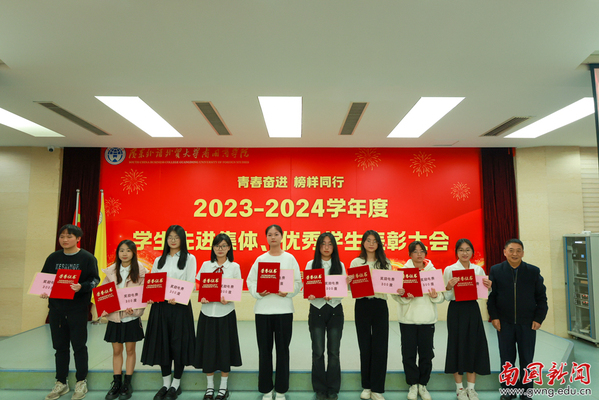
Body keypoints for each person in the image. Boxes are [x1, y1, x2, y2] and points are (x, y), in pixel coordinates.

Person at [40, 224, 100, 400]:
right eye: (62, 236)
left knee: (79, 346)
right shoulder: (53, 257)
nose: (65, 240)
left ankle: (81, 381)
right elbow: (45, 278)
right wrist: (43, 290)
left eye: (69, 236)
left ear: (78, 239)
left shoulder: (87, 258)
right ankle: (61, 382)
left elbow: (95, 280)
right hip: (56, 309)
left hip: (77, 309)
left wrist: (82, 286)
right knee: (59, 346)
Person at [141, 225, 197, 400]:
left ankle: (176, 384)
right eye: (170, 237)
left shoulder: (190, 258)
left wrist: (178, 297)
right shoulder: (159, 260)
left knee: (179, 345)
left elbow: (190, 282)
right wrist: (150, 296)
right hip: (160, 308)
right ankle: (166, 384)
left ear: (182, 239)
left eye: (176, 237)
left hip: (180, 307)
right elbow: (153, 283)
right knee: (162, 344)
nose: (173, 240)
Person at [488, 239, 548, 400]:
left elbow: (541, 298)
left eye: (518, 250)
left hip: (527, 323)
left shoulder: (533, 271)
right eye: (511, 250)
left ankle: (526, 392)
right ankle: (508, 391)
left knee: (527, 359)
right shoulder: (496, 270)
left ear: (523, 252)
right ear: (504, 252)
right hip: (504, 323)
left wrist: (539, 318)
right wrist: (494, 317)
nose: (515, 254)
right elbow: (491, 297)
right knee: (506, 359)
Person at [246, 224, 302, 400]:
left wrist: (288, 292)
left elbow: (298, 282)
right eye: (269, 234)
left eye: (276, 234)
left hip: (284, 310)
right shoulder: (260, 259)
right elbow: (250, 281)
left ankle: (281, 390)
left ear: (282, 236)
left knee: (283, 351)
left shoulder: (289, 258)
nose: (273, 237)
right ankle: (266, 389)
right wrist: (258, 293)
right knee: (264, 351)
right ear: (266, 238)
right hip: (263, 311)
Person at [393, 241, 444, 400]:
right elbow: (395, 295)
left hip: (427, 320)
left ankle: (423, 385)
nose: (419, 254)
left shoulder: (433, 272)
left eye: (422, 251)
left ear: (425, 253)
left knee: (426, 354)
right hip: (407, 320)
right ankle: (413, 385)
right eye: (415, 251)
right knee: (408, 354)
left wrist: (435, 296)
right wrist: (403, 296)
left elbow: (441, 297)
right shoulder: (403, 273)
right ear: (410, 254)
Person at [195, 233, 243, 400]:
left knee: (225, 349)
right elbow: (199, 285)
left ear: (229, 248)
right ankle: (209, 387)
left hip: (226, 313)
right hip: (207, 313)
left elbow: (237, 290)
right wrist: (202, 296)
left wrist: (229, 298)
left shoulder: (234, 267)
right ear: (213, 248)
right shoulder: (206, 265)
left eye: (223, 246)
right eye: (217, 246)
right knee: (207, 350)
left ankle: (223, 387)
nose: (220, 249)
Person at [443, 239, 491, 400]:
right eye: (461, 250)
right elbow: (446, 295)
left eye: (468, 250)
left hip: (472, 309)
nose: (464, 253)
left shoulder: (478, 269)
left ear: (472, 252)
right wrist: (449, 287)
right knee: (456, 345)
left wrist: (489, 287)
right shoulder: (450, 269)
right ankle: (459, 389)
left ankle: (471, 388)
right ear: (456, 252)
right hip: (456, 310)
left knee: (473, 345)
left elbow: (484, 294)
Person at [101, 239, 147, 400]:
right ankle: (116, 383)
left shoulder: (141, 272)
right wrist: (105, 308)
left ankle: (127, 383)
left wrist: (135, 311)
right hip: (115, 318)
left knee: (130, 351)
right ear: (117, 253)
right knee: (116, 351)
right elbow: (104, 293)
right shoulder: (111, 271)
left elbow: (144, 295)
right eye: (121, 250)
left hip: (131, 318)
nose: (124, 253)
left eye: (128, 250)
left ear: (133, 253)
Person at [349, 230, 391, 400]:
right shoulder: (356, 262)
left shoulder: (385, 263)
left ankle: (377, 388)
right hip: (362, 305)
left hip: (380, 305)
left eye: (374, 241)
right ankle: (366, 386)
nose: (371, 243)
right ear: (363, 243)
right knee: (365, 346)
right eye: (368, 240)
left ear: (378, 243)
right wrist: (349, 282)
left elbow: (390, 285)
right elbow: (352, 287)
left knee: (380, 347)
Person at [305, 233, 346, 400]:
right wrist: (311, 295)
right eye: (323, 244)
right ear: (318, 246)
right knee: (318, 351)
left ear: (334, 247)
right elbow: (307, 289)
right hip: (317, 310)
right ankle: (320, 388)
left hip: (335, 310)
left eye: (330, 244)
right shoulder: (311, 264)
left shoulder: (340, 265)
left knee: (334, 352)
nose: (326, 247)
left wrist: (333, 296)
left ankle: (333, 388)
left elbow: (342, 290)